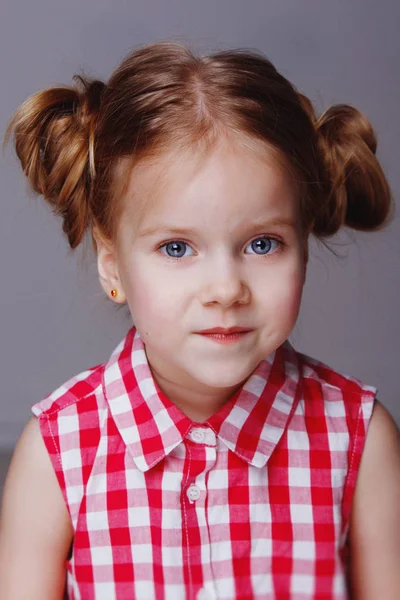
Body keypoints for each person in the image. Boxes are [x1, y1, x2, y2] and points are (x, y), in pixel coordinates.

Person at [0, 40, 399, 600]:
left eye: (263, 243)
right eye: (177, 248)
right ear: (111, 264)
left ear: (304, 247)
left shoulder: (358, 441)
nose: (225, 289)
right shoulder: (59, 452)